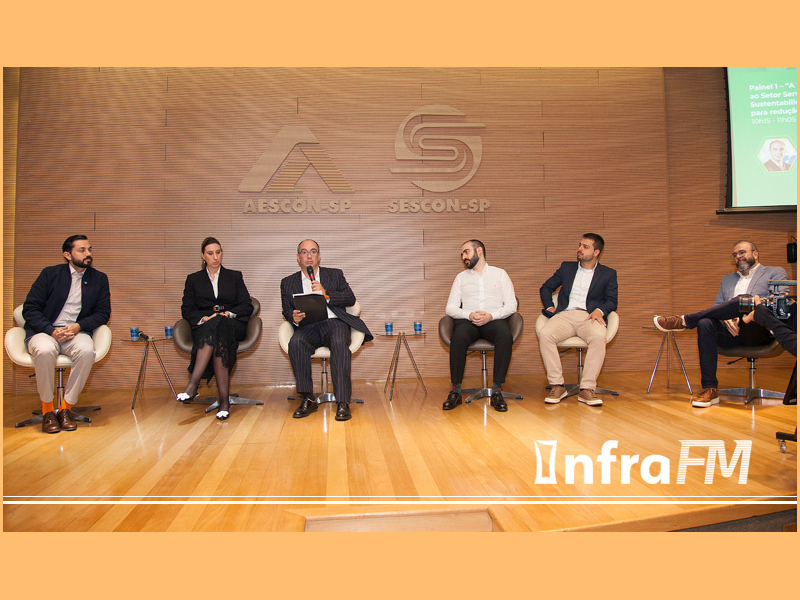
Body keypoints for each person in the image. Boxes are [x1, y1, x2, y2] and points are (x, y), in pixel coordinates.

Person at [654, 240, 788, 407]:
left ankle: (684, 321)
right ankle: (710, 389)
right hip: (732, 332)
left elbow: (779, 302)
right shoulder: (727, 280)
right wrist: (726, 319)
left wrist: (745, 311)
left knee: (743, 300)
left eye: (742, 252)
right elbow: (717, 307)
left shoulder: (775, 272)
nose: (738, 257)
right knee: (705, 322)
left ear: (755, 254)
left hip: (759, 330)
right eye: (735, 255)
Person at [22, 235, 111, 434]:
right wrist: (51, 330)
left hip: (76, 332)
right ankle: (47, 410)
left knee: (87, 351)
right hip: (45, 331)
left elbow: (103, 313)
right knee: (45, 350)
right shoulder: (50, 274)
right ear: (67, 255)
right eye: (82, 250)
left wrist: (78, 326)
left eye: (89, 249)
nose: (88, 254)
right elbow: (30, 308)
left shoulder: (99, 278)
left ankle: (65, 408)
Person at [281, 239, 373, 422]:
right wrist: (293, 317)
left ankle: (342, 401)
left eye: (313, 251)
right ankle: (308, 398)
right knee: (296, 343)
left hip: (334, 324)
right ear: (298, 257)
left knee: (339, 343)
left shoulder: (334, 275)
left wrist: (326, 294)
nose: (309, 255)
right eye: (304, 252)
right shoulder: (287, 282)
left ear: (319, 256)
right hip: (308, 326)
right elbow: (286, 310)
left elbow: (350, 298)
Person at [538, 233, 618, 407]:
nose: (580, 249)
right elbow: (546, 287)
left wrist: (599, 310)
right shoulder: (566, 268)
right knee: (545, 334)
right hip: (565, 315)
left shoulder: (608, 274)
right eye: (580, 245)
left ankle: (587, 389)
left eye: (585, 247)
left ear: (596, 252)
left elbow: (612, 300)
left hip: (589, 316)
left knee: (599, 337)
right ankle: (557, 386)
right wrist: (550, 306)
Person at [178, 237, 253, 421]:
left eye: (218, 252)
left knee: (220, 323)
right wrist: (205, 318)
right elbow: (187, 309)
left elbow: (247, 305)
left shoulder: (234, 276)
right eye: (210, 253)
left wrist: (228, 314)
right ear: (203, 256)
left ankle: (193, 385)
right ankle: (224, 403)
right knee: (217, 333)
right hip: (206, 327)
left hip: (232, 324)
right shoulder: (193, 279)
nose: (215, 257)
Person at [444, 239, 517, 412]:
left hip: (494, 320)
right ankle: (455, 392)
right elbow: (450, 308)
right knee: (458, 337)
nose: (463, 257)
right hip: (468, 321)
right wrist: (469, 314)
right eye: (462, 254)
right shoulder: (461, 278)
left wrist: (492, 316)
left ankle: (497, 391)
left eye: (466, 252)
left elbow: (512, 305)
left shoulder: (500, 274)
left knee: (505, 335)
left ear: (479, 251)